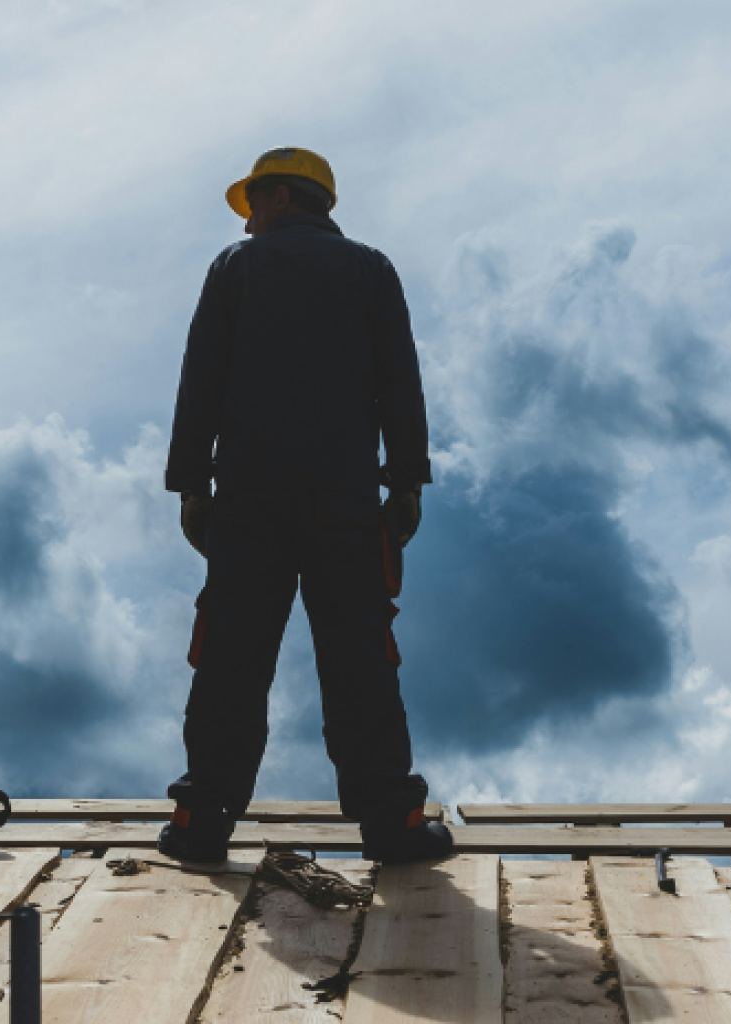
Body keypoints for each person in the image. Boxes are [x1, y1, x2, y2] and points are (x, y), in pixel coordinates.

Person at [159, 147, 453, 864]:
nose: (250, 222)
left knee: (230, 660)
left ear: (283, 197)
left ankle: (202, 824)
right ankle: (393, 825)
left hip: (249, 503)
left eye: (254, 205)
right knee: (361, 662)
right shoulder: (371, 270)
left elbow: (202, 376)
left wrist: (191, 484)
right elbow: (399, 382)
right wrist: (407, 481)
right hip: (344, 502)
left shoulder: (235, 268)